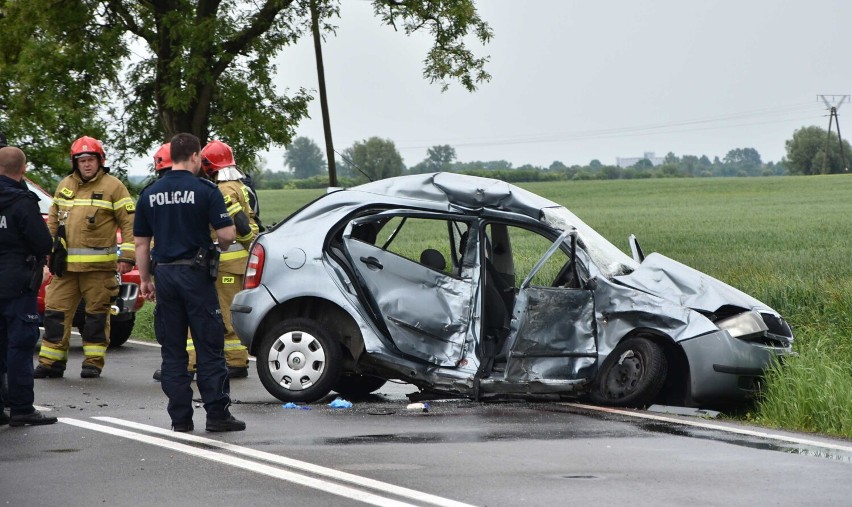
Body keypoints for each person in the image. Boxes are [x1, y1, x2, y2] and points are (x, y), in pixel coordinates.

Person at [134, 132, 245, 432]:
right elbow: (227, 235)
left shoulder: (149, 194)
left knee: (173, 352)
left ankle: (180, 419)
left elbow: (141, 245)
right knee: (209, 348)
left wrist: (145, 280)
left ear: (171, 157)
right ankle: (217, 416)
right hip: (196, 276)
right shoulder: (206, 190)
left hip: (165, 276)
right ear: (195, 156)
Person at [152, 140, 257, 381]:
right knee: (226, 311)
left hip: (225, 261)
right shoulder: (239, 185)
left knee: (214, 313)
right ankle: (235, 360)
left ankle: (194, 364)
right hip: (236, 261)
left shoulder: (223, 190)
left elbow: (237, 224)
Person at [35, 136, 136, 379]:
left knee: (96, 316)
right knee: (55, 313)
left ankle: (93, 362)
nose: (87, 164)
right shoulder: (64, 185)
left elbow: (130, 223)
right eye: (82, 160)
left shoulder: (114, 187)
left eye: (91, 159)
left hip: (98, 270)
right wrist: (47, 253)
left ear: (100, 161)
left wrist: (129, 256)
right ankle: (51, 362)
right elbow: (52, 222)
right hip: (65, 268)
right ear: (75, 162)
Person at [0, 146, 57, 426]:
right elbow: (43, 243)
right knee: (20, 346)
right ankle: (22, 408)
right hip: (18, 285)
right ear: (22, 169)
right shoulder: (23, 202)